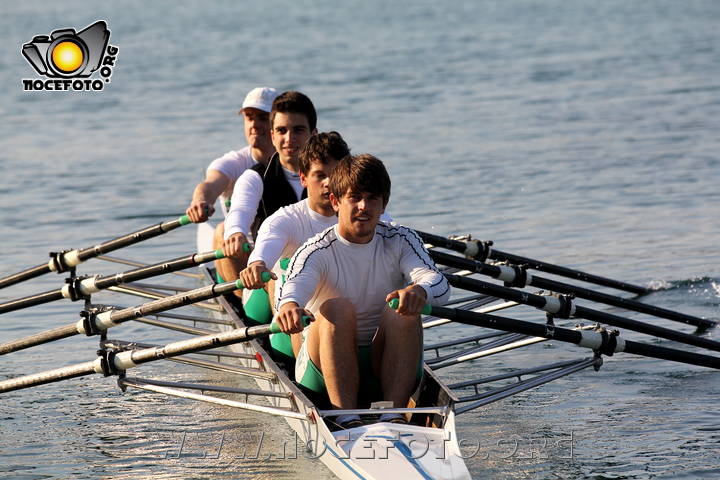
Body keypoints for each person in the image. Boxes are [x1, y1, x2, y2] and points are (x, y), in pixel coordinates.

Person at [275, 154, 450, 429]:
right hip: (323, 375)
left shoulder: (402, 239)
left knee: (403, 309)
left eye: (372, 198)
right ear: (335, 202)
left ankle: (393, 414)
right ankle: (345, 417)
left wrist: (420, 290)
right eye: (354, 197)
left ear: (384, 205)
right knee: (337, 308)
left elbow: (438, 282)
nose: (363, 207)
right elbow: (294, 287)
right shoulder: (315, 250)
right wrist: (289, 306)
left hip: (386, 366)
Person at [222, 91, 318, 290]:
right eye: (282, 131)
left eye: (298, 130)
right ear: (273, 136)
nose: (289, 138)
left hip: (322, 272)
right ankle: (242, 305)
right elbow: (240, 210)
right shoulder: (255, 177)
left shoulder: (332, 177)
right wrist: (236, 232)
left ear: (314, 135)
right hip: (269, 279)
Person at [185, 87, 279, 282]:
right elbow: (210, 185)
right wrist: (200, 201)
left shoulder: (297, 163)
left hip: (277, 256)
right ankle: (243, 299)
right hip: (241, 260)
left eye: (262, 118)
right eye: (249, 117)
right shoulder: (234, 162)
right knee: (222, 230)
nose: (254, 124)